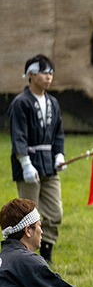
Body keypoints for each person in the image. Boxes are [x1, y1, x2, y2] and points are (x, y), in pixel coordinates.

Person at [8, 55, 67, 265]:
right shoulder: (20, 103)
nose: (49, 76)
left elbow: (58, 133)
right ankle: (26, 257)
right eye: (44, 72)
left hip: (49, 165)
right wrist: (25, 163)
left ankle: (47, 254)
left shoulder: (53, 103)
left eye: (51, 72)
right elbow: (18, 136)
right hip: (29, 165)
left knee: (54, 212)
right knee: (29, 215)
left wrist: (59, 154)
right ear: (31, 75)